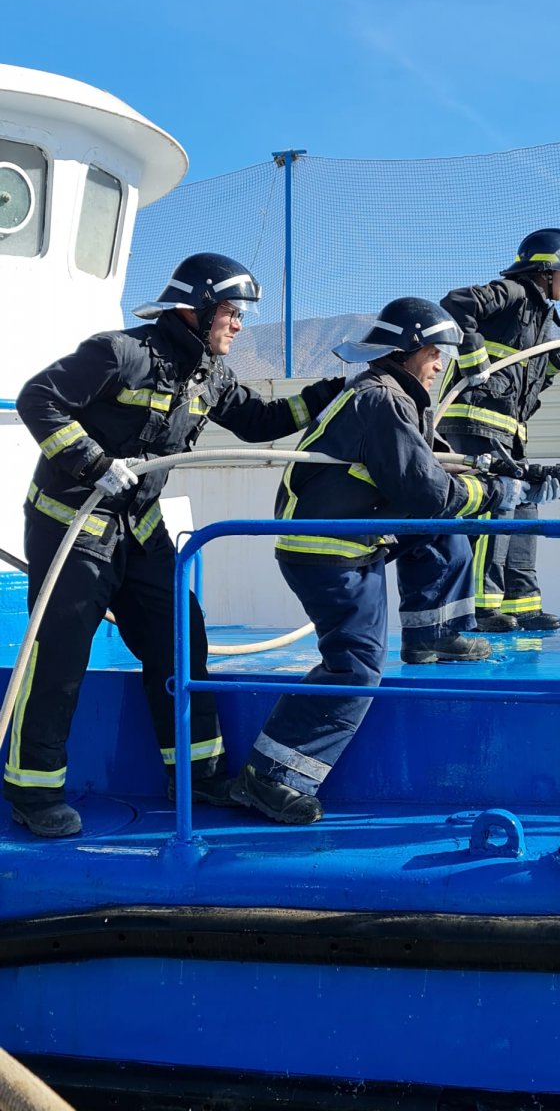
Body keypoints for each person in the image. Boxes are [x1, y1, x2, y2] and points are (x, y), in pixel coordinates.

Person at [4, 252, 345, 838]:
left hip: (138, 524)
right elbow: (39, 398)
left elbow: (260, 420)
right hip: (73, 522)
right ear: (198, 306)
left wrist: (335, 390)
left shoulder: (209, 375)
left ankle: (197, 772)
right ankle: (33, 790)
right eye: (232, 312)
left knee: (181, 638)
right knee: (60, 652)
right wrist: (92, 461)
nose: (239, 325)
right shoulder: (119, 353)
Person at [229, 297, 557, 826]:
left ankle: (434, 636)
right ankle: (268, 779)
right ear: (408, 350)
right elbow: (430, 493)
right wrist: (502, 493)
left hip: (355, 538)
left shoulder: (399, 396)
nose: (440, 365)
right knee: (356, 668)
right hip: (328, 554)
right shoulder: (381, 401)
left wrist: (507, 474)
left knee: (442, 531)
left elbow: (434, 474)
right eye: (434, 354)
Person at [437, 228, 560, 632]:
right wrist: (473, 355)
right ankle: (483, 607)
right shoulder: (513, 293)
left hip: (509, 429)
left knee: (526, 506)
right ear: (548, 269)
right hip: (475, 421)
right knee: (498, 503)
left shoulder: (545, 319)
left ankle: (522, 604)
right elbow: (455, 303)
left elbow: (536, 375)